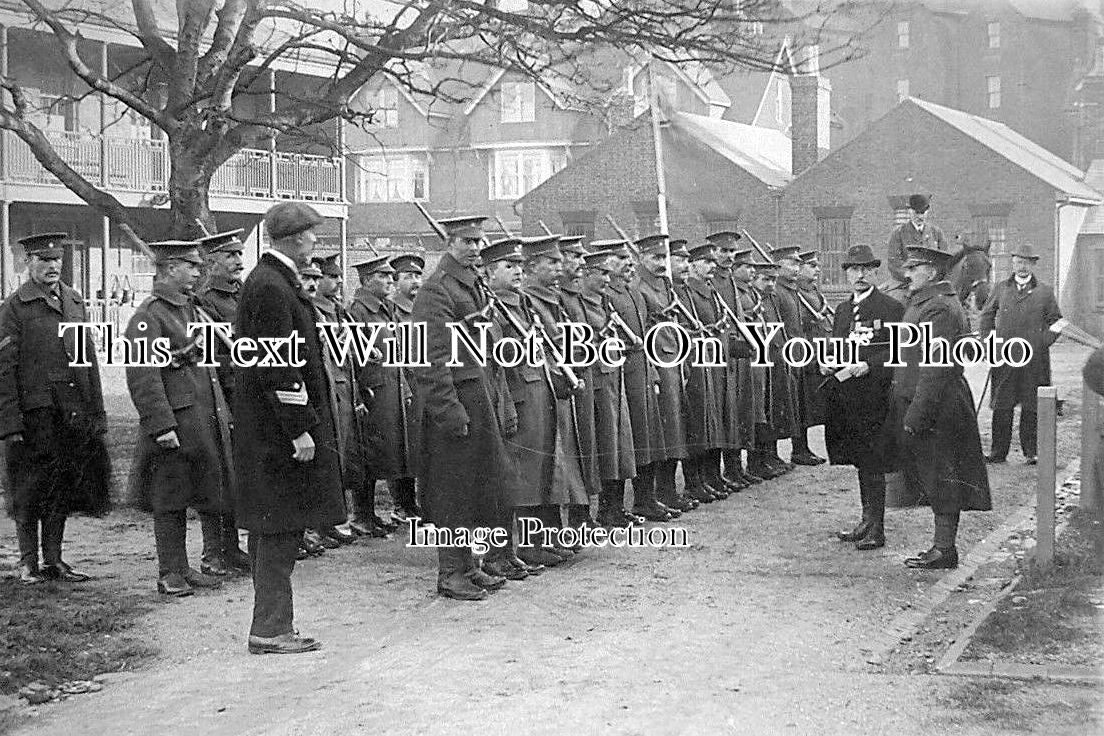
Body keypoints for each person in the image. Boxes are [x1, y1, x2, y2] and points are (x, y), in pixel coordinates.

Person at [235, 201, 345, 653]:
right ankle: (271, 628)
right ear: (297, 238)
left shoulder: (273, 283)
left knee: (276, 529)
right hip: (277, 435)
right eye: (312, 236)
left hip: (271, 432)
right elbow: (277, 368)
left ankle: (272, 624)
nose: (316, 243)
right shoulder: (270, 288)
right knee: (280, 529)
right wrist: (299, 428)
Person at [411, 215, 517, 601]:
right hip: (454, 404)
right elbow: (428, 358)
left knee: (475, 486)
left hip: (479, 397)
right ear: (449, 243)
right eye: (465, 241)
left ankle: (470, 565)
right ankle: (450, 572)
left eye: (478, 241)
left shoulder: (473, 286)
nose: (474, 248)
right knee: (452, 490)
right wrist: (449, 411)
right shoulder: (436, 291)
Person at [0, 233, 110, 584]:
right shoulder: (14, 307)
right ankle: (27, 561)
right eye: (43, 260)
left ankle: (55, 559)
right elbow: (4, 370)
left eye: (56, 260)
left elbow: (87, 360)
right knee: (29, 487)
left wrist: (97, 411)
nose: (51, 266)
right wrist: (10, 423)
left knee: (61, 485)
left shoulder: (74, 301)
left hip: (71, 413)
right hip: (35, 414)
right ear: (28, 263)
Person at [125, 240, 233, 596]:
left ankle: (185, 567)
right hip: (174, 423)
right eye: (191, 266)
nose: (198, 272)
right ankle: (169, 571)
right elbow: (143, 376)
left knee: (192, 490)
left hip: (199, 418)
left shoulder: (188, 310)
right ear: (170, 269)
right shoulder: (149, 315)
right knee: (168, 497)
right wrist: (162, 426)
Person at [893, 243, 990, 570]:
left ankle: (944, 549)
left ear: (931, 271)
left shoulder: (938, 309)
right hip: (933, 400)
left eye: (912, 268)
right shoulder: (928, 303)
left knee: (941, 475)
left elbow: (934, 369)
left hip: (937, 404)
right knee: (936, 474)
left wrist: (916, 414)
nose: (906, 274)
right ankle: (941, 547)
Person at [481, 236, 560, 575]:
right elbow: (496, 363)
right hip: (517, 399)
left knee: (537, 474)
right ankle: (504, 552)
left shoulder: (523, 304)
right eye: (507, 266)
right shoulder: (492, 309)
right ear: (488, 273)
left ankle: (530, 545)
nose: (515, 271)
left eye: (517, 265)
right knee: (515, 477)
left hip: (539, 394)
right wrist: (507, 405)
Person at [821, 245, 904, 551]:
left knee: (874, 461)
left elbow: (897, 353)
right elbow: (837, 345)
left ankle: (877, 528)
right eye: (854, 270)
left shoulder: (890, 309)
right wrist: (827, 361)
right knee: (860, 461)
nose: (859, 275)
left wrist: (869, 364)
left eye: (866, 269)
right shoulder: (843, 310)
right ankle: (866, 520)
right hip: (847, 396)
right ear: (847, 274)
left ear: (875, 272)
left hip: (875, 396)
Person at [518, 234, 591, 552]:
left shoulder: (552, 299)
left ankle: (550, 535)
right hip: (538, 391)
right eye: (553, 262)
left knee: (556, 465)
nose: (560, 267)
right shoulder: (529, 301)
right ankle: (534, 542)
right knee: (540, 467)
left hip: (556, 391)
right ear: (532, 267)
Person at [194, 228, 251, 575]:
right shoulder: (204, 303)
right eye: (230, 256)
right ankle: (212, 551)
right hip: (220, 395)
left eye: (239, 255)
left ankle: (232, 546)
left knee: (237, 472)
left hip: (245, 393)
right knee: (216, 473)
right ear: (211, 263)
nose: (238, 261)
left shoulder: (244, 295)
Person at [979, 243, 1062, 466]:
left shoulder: (1044, 292)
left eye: (1025, 263)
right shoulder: (1001, 289)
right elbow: (986, 317)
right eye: (1017, 262)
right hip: (1005, 357)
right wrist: (989, 345)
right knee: (1002, 405)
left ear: (1032, 265)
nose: (1021, 267)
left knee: (1031, 405)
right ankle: (998, 452)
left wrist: (1042, 342)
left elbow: (1057, 322)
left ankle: (1031, 452)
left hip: (1034, 360)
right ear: (1013, 264)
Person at [606, 239, 671, 520]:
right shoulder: (606, 295)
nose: (627, 264)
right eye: (619, 260)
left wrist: (653, 372)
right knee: (622, 441)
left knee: (647, 438)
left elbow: (643, 335)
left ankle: (645, 500)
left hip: (641, 373)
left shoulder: (632, 292)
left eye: (628, 259)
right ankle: (612, 507)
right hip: (621, 374)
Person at [577, 244, 638, 527]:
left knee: (617, 447)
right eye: (600, 273)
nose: (605, 279)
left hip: (613, 380)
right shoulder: (579, 304)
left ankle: (613, 508)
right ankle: (594, 513)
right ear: (587, 275)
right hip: (596, 383)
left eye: (606, 273)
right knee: (598, 449)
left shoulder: (603, 303)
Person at [347, 256, 407, 538]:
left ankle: (373, 514)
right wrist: (358, 392)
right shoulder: (359, 311)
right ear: (367, 280)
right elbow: (352, 358)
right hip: (371, 389)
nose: (390, 281)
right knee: (368, 452)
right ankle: (361, 515)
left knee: (384, 450)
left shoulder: (386, 309)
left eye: (391, 277)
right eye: (383, 276)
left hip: (390, 386)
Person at [633, 234, 692, 514]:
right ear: (641, 256)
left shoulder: (666, 284)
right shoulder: (638, 287)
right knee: (658, 433)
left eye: (663, 257)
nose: (660, 262)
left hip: (673, 358)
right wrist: (653, 370)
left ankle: (668, 491)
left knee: (675, 431)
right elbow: (642, 332)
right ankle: (651, 496)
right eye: (655, 257)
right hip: (656, 360)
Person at [677, 242, 730, 501]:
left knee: (712, 418)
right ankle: (694, 481)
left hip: (711, 359)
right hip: (694, 361)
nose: (712, 266)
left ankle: (710, 476)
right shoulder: (686, 292)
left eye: (713, 262)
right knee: (696, 421)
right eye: (706, 262)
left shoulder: (709, 291)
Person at [706, 231, 756, 489]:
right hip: (717, 354)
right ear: (712, 252)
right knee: (720, 414)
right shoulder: (710, 281)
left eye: (732, 252)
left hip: (734, 353)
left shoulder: (731, 280)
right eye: (723, 251)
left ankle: (735, 468)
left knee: (736, 411)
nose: (728, 257)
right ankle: (716, 474)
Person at [771, 244, 825, 466]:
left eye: (797, 263)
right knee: (783, 403)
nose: (797, 267)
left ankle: (801, 449)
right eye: (792, 263)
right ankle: (780, 453)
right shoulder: (777, 291)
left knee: (800, 402)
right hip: (784, 353)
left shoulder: (792, 290)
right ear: (779, 265)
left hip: (799, 352)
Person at [747, 259, 798, 479]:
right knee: (761, 412)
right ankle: (757, 461)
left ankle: (771, 455)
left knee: (775, 410)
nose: (770, 284)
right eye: (765, 279)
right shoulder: (754, 300)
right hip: (761, 361)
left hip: (776, 360)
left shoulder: (771, 298)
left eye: (773, 280)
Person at [386, 252, 424, 521]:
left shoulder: (423, 307)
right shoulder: (392, 310)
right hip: (403, 383)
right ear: (396, 281)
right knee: (402, 443)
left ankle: (416, 504)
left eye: (418, 275)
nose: (415, 281)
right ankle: (402, 503)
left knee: (421, 442)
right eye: (408, 276)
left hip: (424, 381)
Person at [884, 194, 947, 303]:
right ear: (909, 211)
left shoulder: (937, 233)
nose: (920, 216)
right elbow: (893, 262)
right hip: (907, 283)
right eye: (916, 213)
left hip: (932, 282)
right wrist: (911, 277)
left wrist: (933, 277)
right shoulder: (899, 233)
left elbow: (944, 260)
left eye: (923, 213)